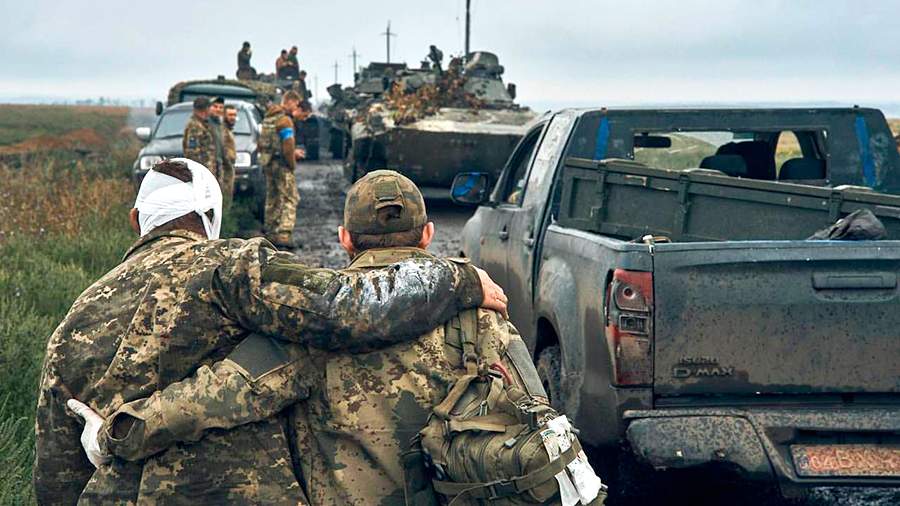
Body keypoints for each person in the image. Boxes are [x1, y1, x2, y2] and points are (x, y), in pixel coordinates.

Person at [66, 171, 600, 506]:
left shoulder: (314, 330)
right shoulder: (484, 313)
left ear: (344, 239)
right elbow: (539, 421)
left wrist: (116, 434)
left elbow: (213, 398)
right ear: (428, 234)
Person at [259, 90, 303, 248]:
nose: (296, 108)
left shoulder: (269, 118)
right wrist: (292, 164)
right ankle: (284, 233)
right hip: (282, 164)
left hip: (268, 162)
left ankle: (270, 231)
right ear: (290, 101)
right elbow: (288, 146)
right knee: (291, 197)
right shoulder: (285, 120)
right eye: (296, 104)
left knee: (273, 197)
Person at [182, 97, 216, 173]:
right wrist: (199, 171)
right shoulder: (194, 126)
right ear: (206, 109)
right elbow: (192, 153)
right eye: (210, 108)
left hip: (207, 170)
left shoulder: (204, 124)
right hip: (201, 171)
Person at [221, 104, 238, 212]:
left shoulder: (228, 129)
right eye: (230, 115)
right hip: (224, 170)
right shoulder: (222, 130)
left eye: (234, 115)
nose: (233, 117)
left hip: (229, 168)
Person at [206, 96, 226, 181]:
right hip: (208, 166)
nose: (218, 109)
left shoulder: (220, 124)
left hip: (218, 164)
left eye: (221, 107)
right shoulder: (205, 123)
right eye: (215, 106)